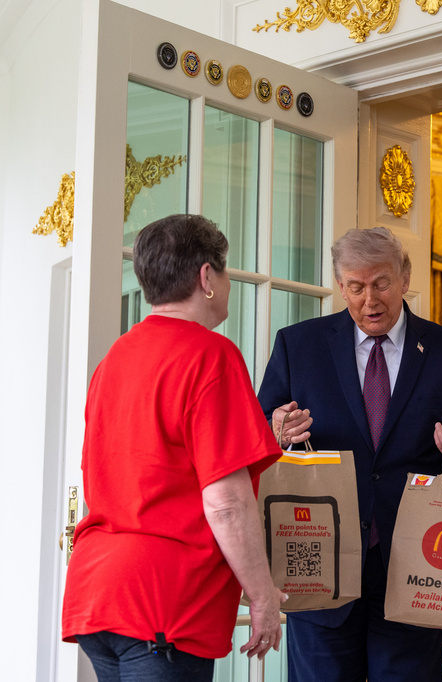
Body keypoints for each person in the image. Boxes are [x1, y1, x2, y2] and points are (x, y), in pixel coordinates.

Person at [258, 226, 442, 682]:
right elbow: (259, 436)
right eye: (356, 286)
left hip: (418, 565)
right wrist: (278, 432)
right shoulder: (297, 346)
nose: (370, 299)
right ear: (340, 285)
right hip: (319, 563)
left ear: (404, 278)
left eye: (381, 283)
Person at [61, 214, 287, 681]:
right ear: (207, 276)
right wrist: (262, 594)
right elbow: (225, 500)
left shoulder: (115, 359)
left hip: (96, 592)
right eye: (222, 271)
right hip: (163, 603)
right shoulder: (211, 355)